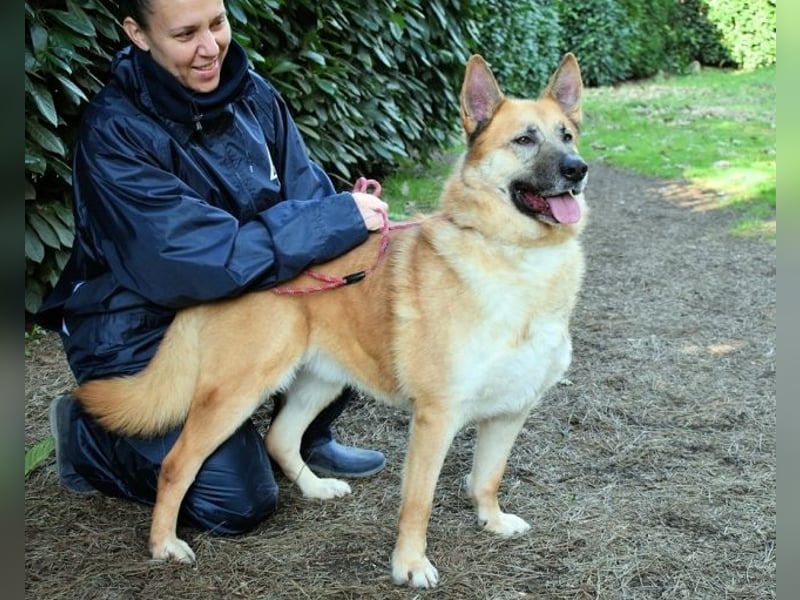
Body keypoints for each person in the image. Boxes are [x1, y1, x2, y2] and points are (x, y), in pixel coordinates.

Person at [34, 0, 388, 535]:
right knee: (236, 502)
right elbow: (190, 262)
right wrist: (324, 223)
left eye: (217, 23)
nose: (210, 47)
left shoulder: (256, 94)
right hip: (136, 324)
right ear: (138, 33)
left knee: (354, 293)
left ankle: (303, 436)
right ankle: (93, 440)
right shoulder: (114, 131)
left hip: (242, 304)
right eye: (185, 33)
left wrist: (348, 225)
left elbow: (309, 197)